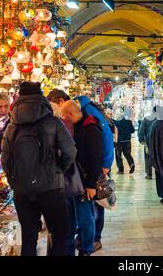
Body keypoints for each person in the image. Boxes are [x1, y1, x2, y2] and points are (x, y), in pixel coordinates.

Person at [1, 82, 77, 256]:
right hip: (51, 189)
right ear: (41, 97)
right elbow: (70, 151)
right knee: (60, 235)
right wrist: (59, 170)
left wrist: (15, 181)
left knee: (29, 238)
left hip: (23, 192)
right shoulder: (53, 122)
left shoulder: (12, 127)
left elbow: (5, 160)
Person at [61, 100, 103, 256]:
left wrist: (91, 185)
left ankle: (86, 249)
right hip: (71, 181)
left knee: (86, 219)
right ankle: (69, 249)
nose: (64, 119)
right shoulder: (72, 128)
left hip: (84, 182)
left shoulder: (91, 129)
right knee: (70, 219)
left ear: (71, 114)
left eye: (65, 116)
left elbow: (96, 158)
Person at [74, 96, 114, 252]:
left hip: (96, 168)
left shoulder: (89, 113)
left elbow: (106, 136)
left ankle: (94, 239)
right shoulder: (87, 111)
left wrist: (106, 163)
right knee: (93, 204)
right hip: (91, 169)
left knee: (97, 201)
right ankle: (87, 238)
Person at [113, 107, 135, 174]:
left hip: (119, 142)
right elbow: (133, 131)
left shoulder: (114, 122)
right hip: (127, 141)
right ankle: (131, 164)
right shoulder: (128, 121)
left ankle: (121, 170)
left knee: (118, 156)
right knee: (127, 154)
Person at [138, 107, 157, 180]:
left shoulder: (146, 119)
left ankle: (149, 174)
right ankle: (159, 173)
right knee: (158, 158)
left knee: (148, 158)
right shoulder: (160, 119)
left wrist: (142, 140)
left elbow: (141, 131)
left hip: (148, 142)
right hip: (158, 142)